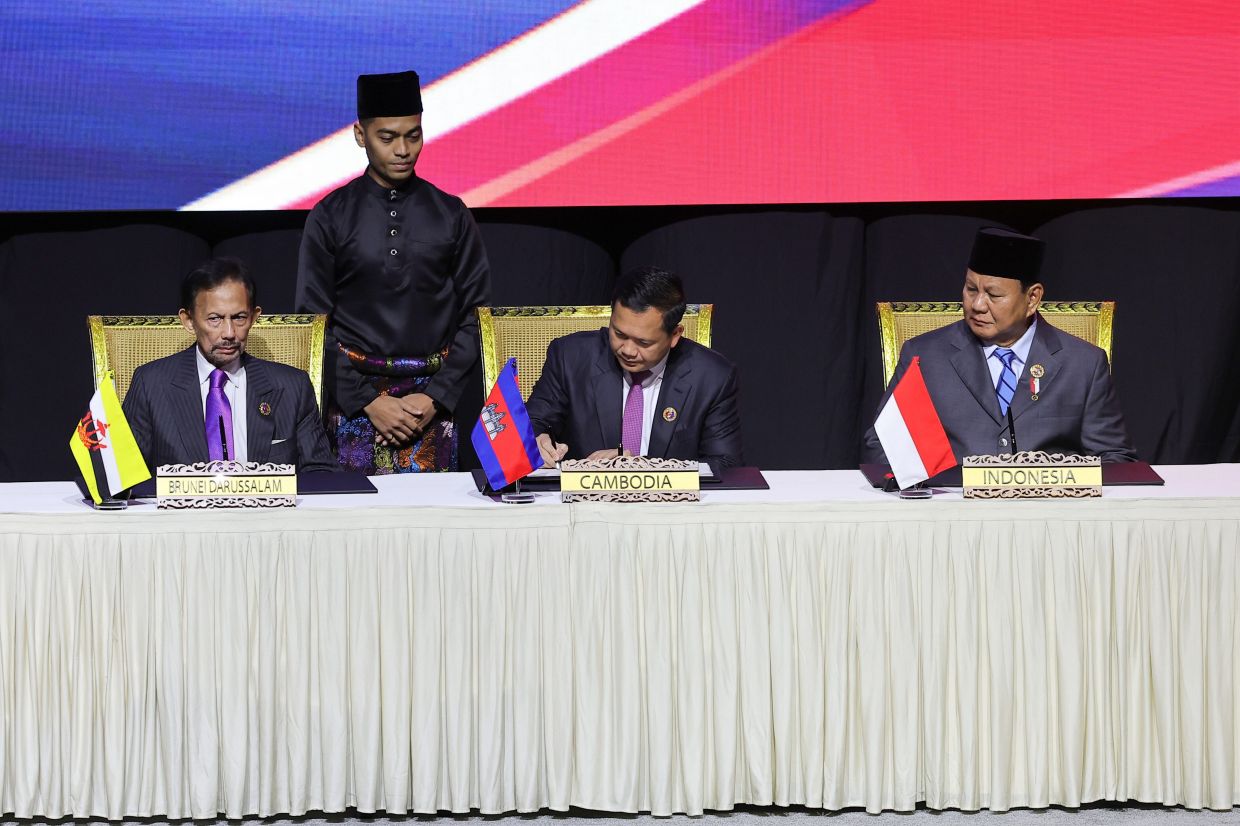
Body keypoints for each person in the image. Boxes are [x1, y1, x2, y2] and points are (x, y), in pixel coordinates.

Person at [296, 69, 490, 474]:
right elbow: (312, 325)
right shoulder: (330, 216)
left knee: (434, 527)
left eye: (413, 135)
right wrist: (368, 400)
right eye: (387, 137)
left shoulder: (451, 214)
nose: (403, 149)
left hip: (431, 408)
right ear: (360, 135)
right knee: (353, 524)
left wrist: (435, 397)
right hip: (353, 402)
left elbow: (477, 318)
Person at [864, 227, 1137, 463]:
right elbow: (884, 447)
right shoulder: (925, 357)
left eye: (993, 295)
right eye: (971, 290)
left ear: (1032, 299)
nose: (977, 305)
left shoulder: (1084, 365)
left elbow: (1114, 457)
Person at [123, 258, 337, 473]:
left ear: (254, 317)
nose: (229, 333)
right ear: (188, 320)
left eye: (239, 318)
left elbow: (320, 473)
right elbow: (124, 475)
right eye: (215, 319)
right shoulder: (151, 385)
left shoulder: (293, 388)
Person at [526, 266, 743, 470]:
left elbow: (725, 464)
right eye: (619, 334)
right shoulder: (570, 357)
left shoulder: (712, 376)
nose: (628, 350)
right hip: (584, 503)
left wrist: (638, 468)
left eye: (643, 342)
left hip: (669, 507)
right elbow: (532, 423)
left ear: (675, 335)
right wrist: (537, 440)